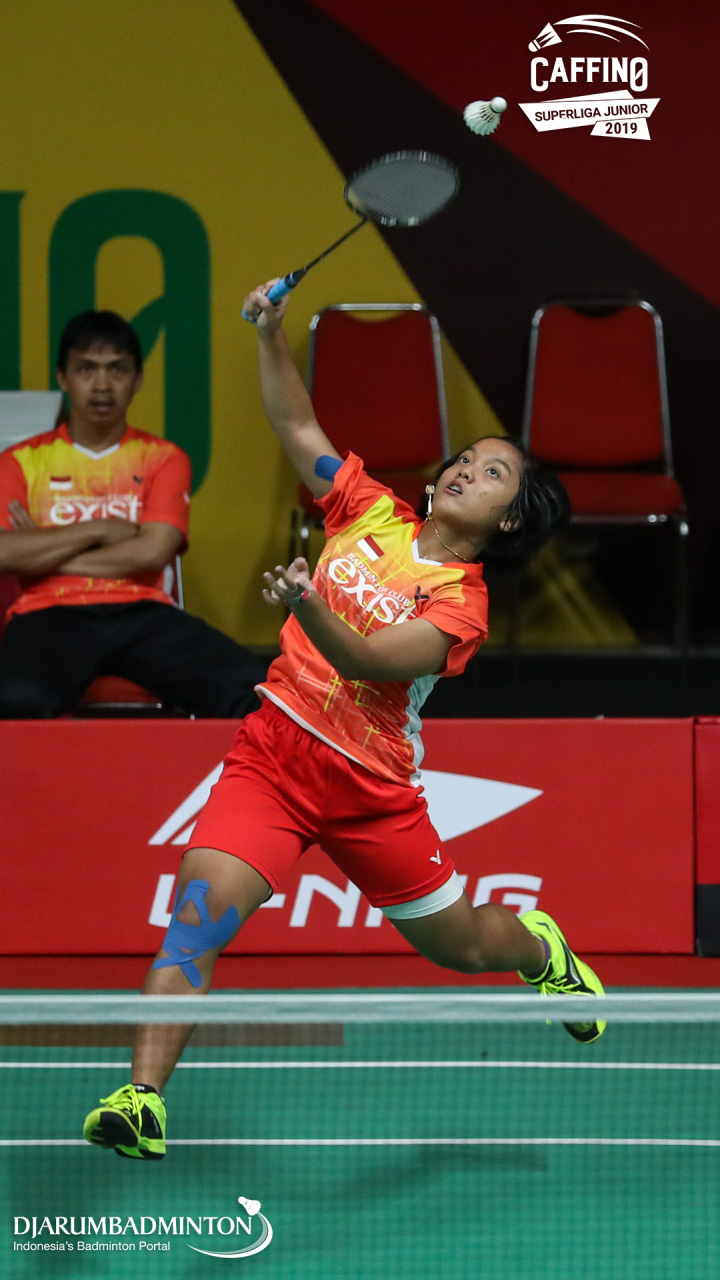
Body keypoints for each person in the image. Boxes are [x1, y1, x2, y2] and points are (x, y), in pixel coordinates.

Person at [82, 281, 603, 1162]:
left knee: (461, 947)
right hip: (273, 759)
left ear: (508, 518)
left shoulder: (462, 607)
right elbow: (298, 427)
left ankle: (538, 947)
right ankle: (141, 1099)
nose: (465, 469)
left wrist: (305, 604)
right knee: (198, 919)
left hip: (372, 794)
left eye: (491, 473)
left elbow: (367, 659)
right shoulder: (368, 509)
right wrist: (270, 334)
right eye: (465, 458)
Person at [0, 310, 265, 717]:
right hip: (48, 613)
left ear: (138, 380)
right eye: (86, 369)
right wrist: (101, 528)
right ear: (63, 378)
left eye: (117, 369)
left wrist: (41, 551)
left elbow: (152, 552)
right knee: (16, 703)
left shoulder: (164, 458)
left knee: (257, 693)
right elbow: (5, 554)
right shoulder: (19, 462)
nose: (102, 384)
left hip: (142, 613)